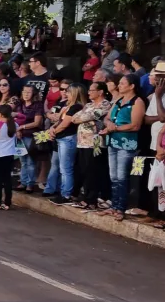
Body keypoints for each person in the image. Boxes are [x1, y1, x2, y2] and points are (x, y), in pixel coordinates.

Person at [99, 74, 145, 221]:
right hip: (113, 142)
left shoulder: (137, 102)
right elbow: (107, 117)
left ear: (132, 86)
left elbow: (135, 125)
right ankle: (114, 205)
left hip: (126, 144)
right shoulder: (118, 100)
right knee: (113, 176)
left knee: (122, 177)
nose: (120, 85)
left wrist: (115, 128)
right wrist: (109, 124)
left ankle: (121, 208)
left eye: (123, 83)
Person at [72, 82, 113, 210]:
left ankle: (92, 199)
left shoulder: (106, 104)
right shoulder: (89, 105)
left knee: (93, 171)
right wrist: (83, 118)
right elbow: (75, 118)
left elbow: (90, 115)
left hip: (95, 142)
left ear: (100, 92)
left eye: (92, 90)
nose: (89, 92)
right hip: (82, 142)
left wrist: (83, 118)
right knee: (84, 170)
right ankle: (85, 197)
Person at [44, 84, 86, 204]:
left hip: (68, 139)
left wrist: (54, 132)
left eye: (68, 92)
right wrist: (52, 128)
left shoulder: (76, 107)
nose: (66, 94)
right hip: (61, 138)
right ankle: (63, 192)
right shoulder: (67, 106)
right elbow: (59, 121)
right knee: (63, 167)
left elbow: (65, 124)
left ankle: (66, 194)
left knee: (66, 168)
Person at [13, 85, 44, 193]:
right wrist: (17, 130)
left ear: (33, 94)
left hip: (31, 136)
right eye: (24, 91)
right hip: (20, 136)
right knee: (23, 161)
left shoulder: (37, 106)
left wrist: (23, 127)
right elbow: (14, 119)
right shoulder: (19, 105)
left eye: (29, 92)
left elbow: (37, 122)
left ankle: (30, 184)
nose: (26, 94)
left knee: (31, 161)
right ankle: (23, 182)